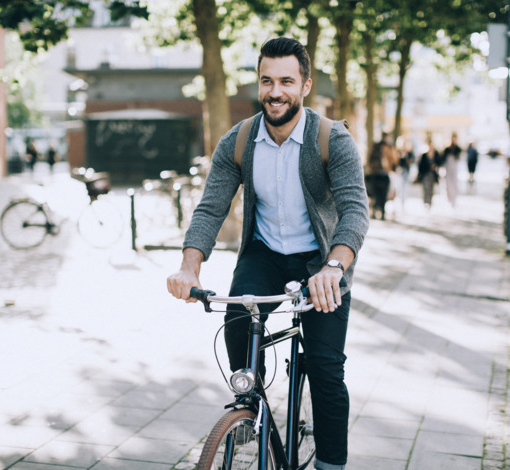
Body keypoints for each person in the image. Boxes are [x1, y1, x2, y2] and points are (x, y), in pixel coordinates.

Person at [167, 37, 369, 470]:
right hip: (265, 254)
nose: (275, 91)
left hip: (320, 261)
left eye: (286, 81)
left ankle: (331, 464)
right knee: (237, 318)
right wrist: (189, 267)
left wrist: (334, 267)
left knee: (327, 372)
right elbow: (210, 208)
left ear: (305, 85)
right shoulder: (238, 142)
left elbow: (355, 212)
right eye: (266, 80)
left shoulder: (333, 139)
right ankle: (250, 411)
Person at [365, 136, 393, 220]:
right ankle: (382, 213)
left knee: (375, 194)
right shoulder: (386, 148)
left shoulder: (373, 149)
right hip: (383, 174)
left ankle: (374, 211)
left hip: (374, 174)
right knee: (383, 194)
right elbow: (389, 161)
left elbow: (369, 162)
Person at [417, 138, 440, 208]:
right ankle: (426, 202)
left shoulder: (436, 154)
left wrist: (435, 167)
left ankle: (430, 202)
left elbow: (439, 162)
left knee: (431, 189)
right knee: (426, 188)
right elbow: (421, 166)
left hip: (433, 175)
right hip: (425, 174)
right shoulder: (424, 155)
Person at [441, 132, 462, 207]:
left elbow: (459, 158)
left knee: (454, 184)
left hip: (454, 169)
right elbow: (443, 159)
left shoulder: (458, 149)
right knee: (448, 184)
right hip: (448, 169)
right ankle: (449, 198)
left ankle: (453, 200)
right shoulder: (447, 149)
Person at [398, 141, 415, 210]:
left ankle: (403, 201)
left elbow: (412, 161)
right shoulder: (399, 153)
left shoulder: (410, 153)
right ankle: (400, 201)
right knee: (400, 187)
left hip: (407, 171)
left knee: (405, 187)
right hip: (401, 171)